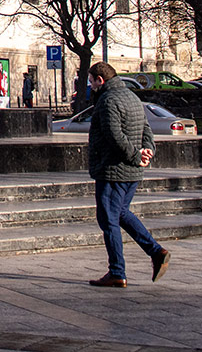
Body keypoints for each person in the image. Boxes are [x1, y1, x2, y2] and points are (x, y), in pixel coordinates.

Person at [86, 62, 169, 288]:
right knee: (121, 212)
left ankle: (117, 272)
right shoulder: (131, 97)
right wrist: (146, 151)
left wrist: (134, 156)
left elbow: (114, 136)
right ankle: (155, 252)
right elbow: (146, 129)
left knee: (109, 220)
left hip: (113, 170)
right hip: (132, 171)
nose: (90, 85)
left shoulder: (107, 100)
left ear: (100, 80)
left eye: (91, 80)